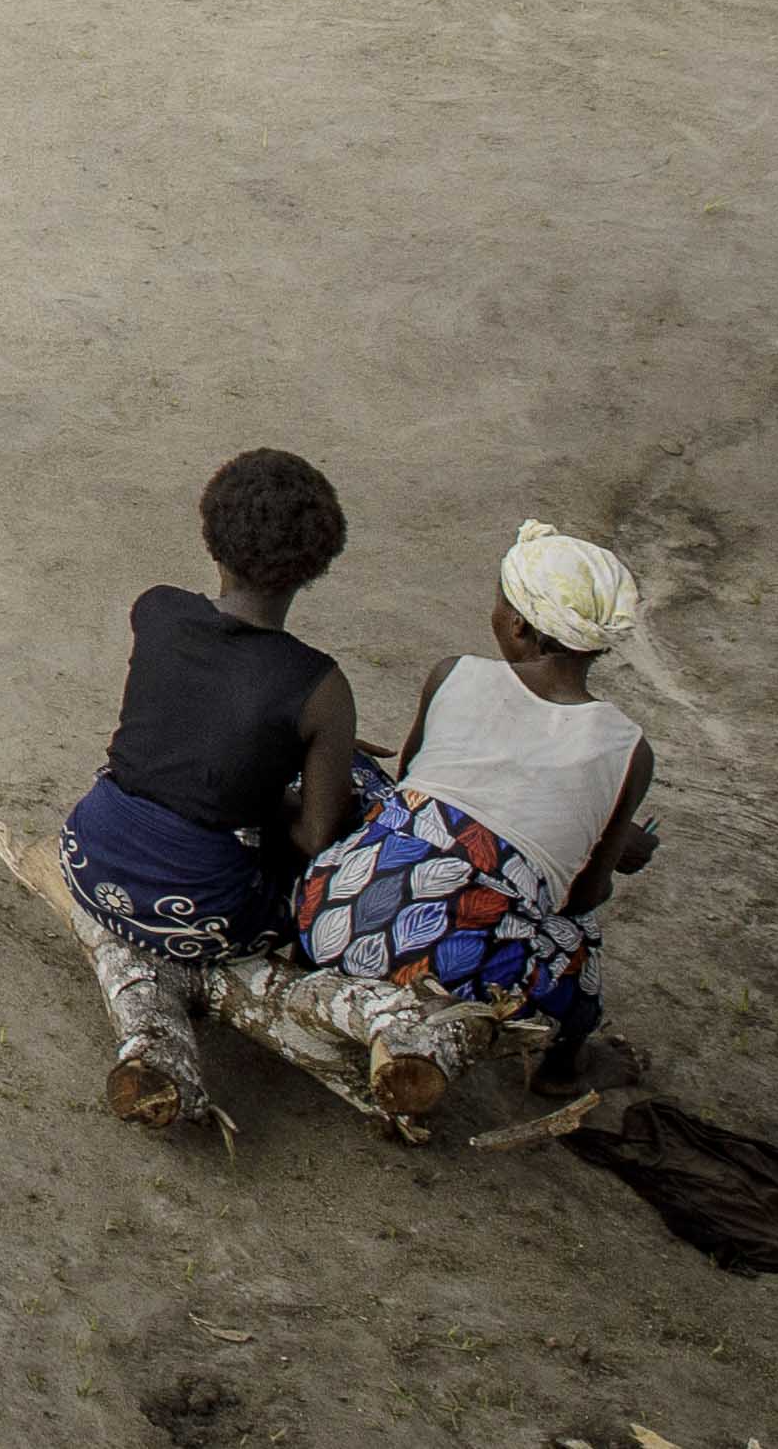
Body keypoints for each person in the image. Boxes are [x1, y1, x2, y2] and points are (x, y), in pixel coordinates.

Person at [280, 521, 659, 1119]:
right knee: (579, 939)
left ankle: (310, 945)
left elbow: (411, 779)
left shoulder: (453, 673)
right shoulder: (628, 750)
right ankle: (563, 1069)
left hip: (331, 915)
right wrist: (594, 856)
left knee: (360, 777)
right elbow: (583, 894)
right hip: (449, 969)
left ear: (518, 626)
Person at [52, 449, 363, 1135]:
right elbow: (313, 836)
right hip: (196, 913)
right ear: (318, 563)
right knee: (363, 802)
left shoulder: (156, 610)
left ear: (210, 537)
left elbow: (191, 719)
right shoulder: (320, 686)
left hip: (87, 856)